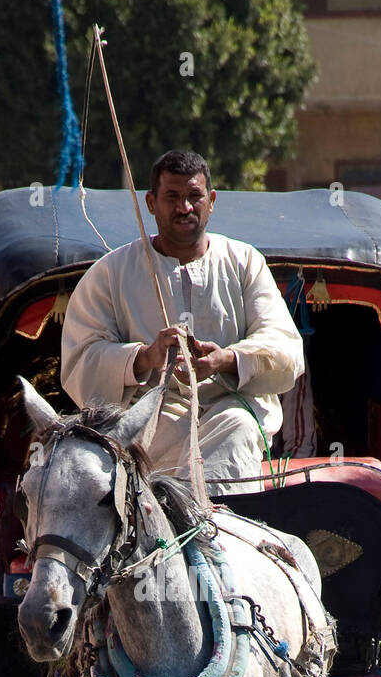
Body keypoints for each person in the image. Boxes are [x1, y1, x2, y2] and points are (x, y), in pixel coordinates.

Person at [60, 150, 304, 487]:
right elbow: (79, 364)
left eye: (194, 196)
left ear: (212, 200)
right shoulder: (110, 273)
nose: (184, 208)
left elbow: (286, 349)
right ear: (150, 202)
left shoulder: (244, 262)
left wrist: (225, 359)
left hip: (230, 408)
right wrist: (146, 356)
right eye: (172, 197)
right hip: (155, 417)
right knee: (157, 435)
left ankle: (213, 532)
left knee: (238, 425)